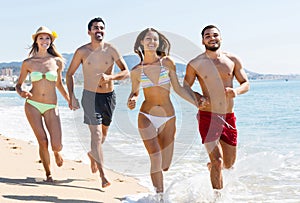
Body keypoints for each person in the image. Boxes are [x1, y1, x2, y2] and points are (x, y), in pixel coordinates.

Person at [127, 28, 197, 196]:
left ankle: (160, 191)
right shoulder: (136, 70)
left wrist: (197, 103)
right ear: (141, 42)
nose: (152, 42)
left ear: (159, 43)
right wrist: (133, 99)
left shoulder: (167, 63)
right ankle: (160, 197)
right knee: (155, 158)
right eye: (148, 39)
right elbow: (135, 91)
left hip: (168, 117)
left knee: (165, 165)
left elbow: (179, 89)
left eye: (155, 40)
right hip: (146, 116)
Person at [183, 25, 250, 190]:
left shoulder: (232, 60)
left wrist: (236, 91)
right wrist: (197, 97)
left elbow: (246, 83)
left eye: (215, 35)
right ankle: (217, 198)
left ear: (220, 38)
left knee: (228, 164)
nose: (212, 38)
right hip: (208, 116)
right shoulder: (195, 63)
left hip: (228, 116)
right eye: (207, 36)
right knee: (217, 161)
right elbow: (184, 86)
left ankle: (212, 167)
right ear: (202, 40)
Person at [66, 17, 129, 188]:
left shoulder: (111, 49)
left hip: (109, 96)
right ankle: (103, 175)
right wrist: (71, 95)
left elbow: (126, 72)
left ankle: (93, 154)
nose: (99, 30)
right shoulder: (82, 52)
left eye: (101, 28)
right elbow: (69, 74)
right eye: (95, 28)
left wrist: (110, 77)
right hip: (90, 97)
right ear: (89, 32)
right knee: (97, 135)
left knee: (104, 133)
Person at [15, 26, 70, 182]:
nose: (44, 41)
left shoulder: (57, 61)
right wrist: (22, 92)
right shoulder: (28, 63)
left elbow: (59, 84)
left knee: (57, 144)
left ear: (51, 41)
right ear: (36, 41)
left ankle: (57, 153)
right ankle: (48, 174)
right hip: (33, 104)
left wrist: (69, 99)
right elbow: (18, 85)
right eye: (41, 38)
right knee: (42, 141)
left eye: (47, 38)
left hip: (51, 106)